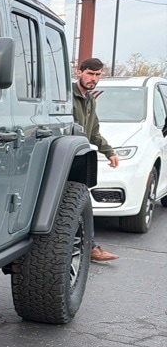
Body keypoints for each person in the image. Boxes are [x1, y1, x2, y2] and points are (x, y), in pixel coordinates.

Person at [73, 57, 120, 262]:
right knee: (80, 204)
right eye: (90, 74)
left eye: (98, 75)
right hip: (63, 158)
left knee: (80, 204)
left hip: (80, 159)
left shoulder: (90, 100)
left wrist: (109, 152)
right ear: (79, 72)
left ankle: (88, 246)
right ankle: (89, 247)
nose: (94, 78)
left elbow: (93, 132)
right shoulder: (65, 95)